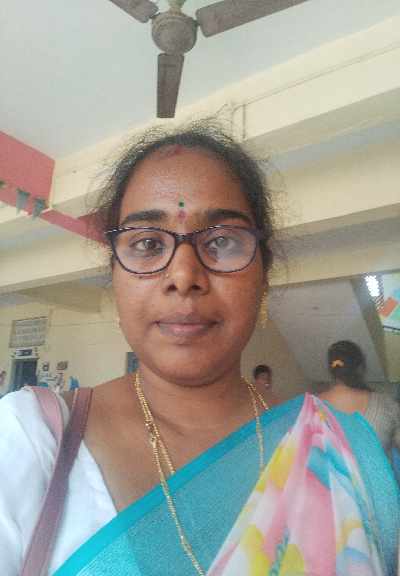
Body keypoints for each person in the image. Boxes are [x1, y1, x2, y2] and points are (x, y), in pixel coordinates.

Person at [0, 124, 398, 575]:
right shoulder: (31, 440)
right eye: (148, 243)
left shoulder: (337, 457)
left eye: (221, 241)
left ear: (263, 275)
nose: (184, 275)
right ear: (114, 277)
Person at [319, 340, 400, 460]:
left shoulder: (308, 407)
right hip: (378, 472)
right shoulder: (386, 405)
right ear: (361, 368)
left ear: (332, 370)